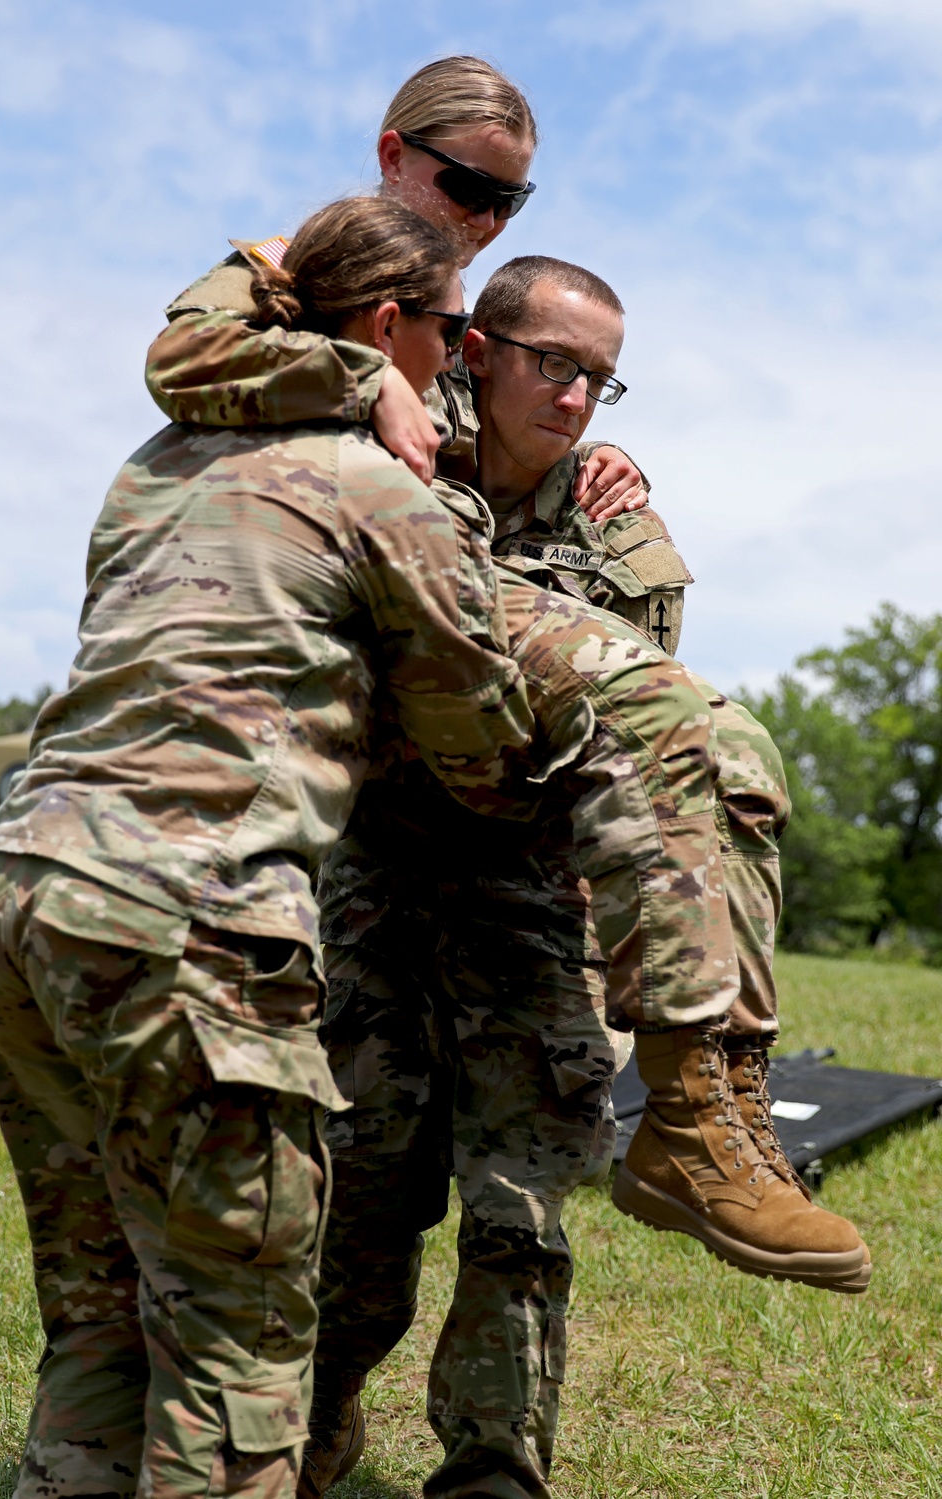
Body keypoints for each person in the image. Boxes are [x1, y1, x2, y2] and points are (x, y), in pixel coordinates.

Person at [0, 196, 539, 1499]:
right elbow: (480, 745)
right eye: (454, 334)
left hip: (18, 902)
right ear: (389, 329)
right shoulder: (381, 490)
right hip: (185, 928)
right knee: (239, 1346)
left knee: (102, 1312)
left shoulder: (157, 457)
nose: (463, 365)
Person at [301, 256, 870, 1499]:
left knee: (522, 1200)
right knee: (366, 1191)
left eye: (601, 381)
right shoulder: (382, 445)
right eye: (553, 364)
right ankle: (316, 1411)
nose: (574, 399)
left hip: (530, 889)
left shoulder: (619, 521)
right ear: (477, 351)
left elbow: (639, 744)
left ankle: (496, 1464)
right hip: (378, 873)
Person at [144, 54, 649, 515]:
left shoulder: (449, 333)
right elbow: (179, 359)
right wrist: (368, 381)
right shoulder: (292, 273)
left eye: (509, 202)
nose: (486, 220)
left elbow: (499, 450)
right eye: (470, 189)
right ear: (393, 157)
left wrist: (593, 461)